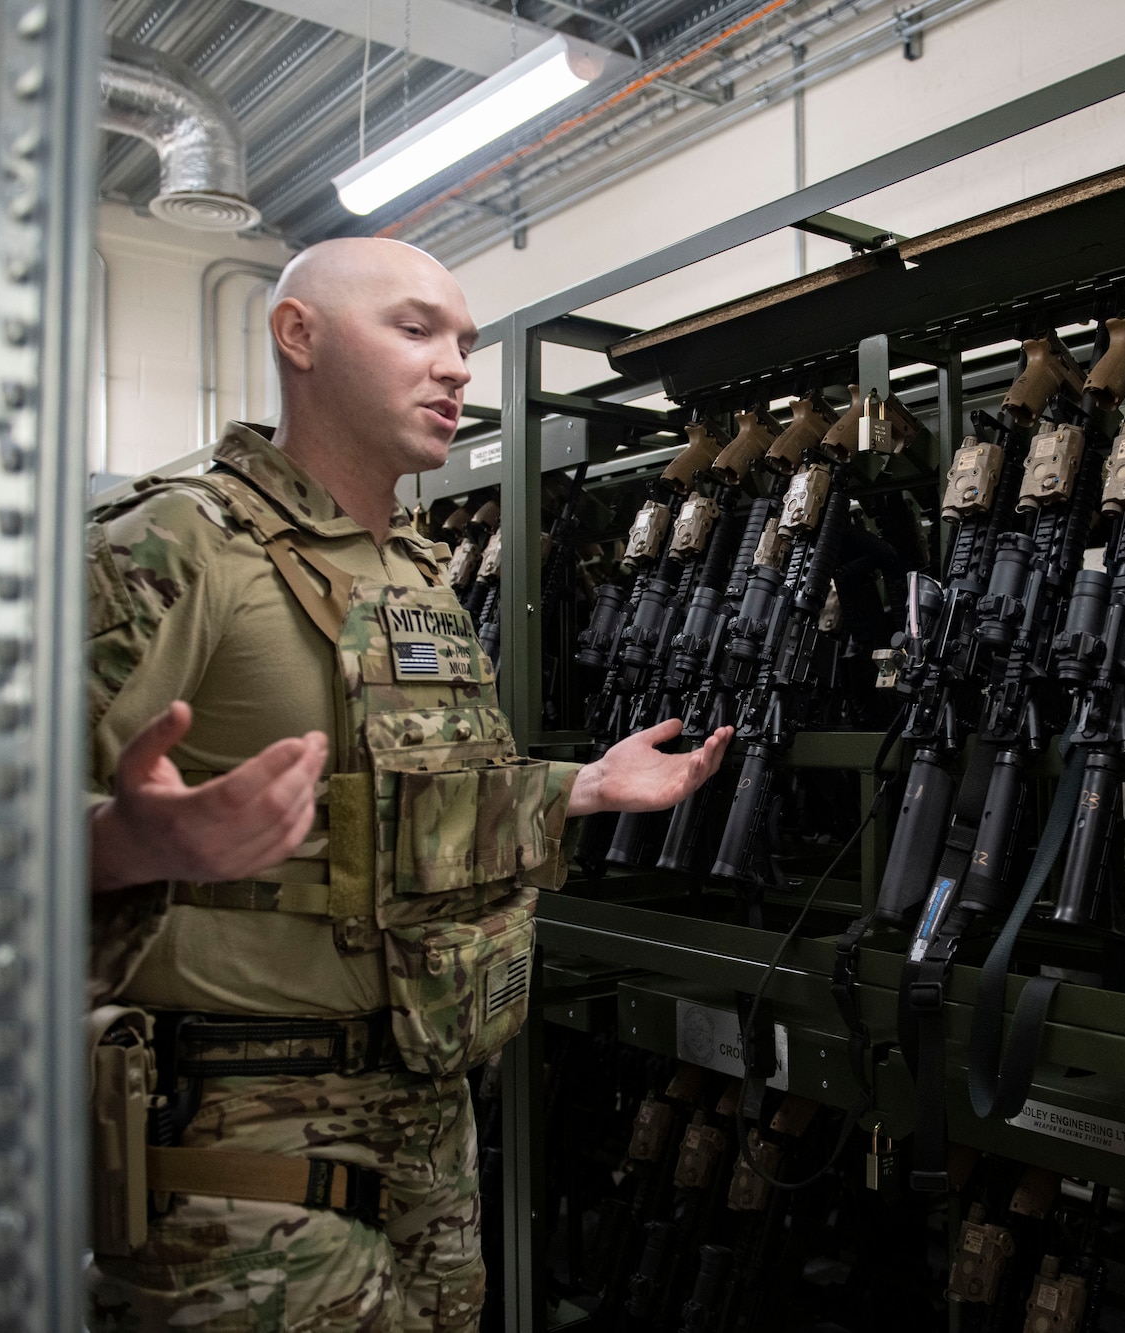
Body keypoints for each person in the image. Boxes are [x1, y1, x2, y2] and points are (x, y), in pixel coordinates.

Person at [84, 236, 731, 1331]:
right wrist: (134, 843)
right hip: (242, 1127)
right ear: (299, 337)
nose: (455, 368)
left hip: (427, 1099)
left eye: (467, 344)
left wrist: (581, 787)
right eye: (414, 328)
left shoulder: (415, 572)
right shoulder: (177, 544)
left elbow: (404, 812)